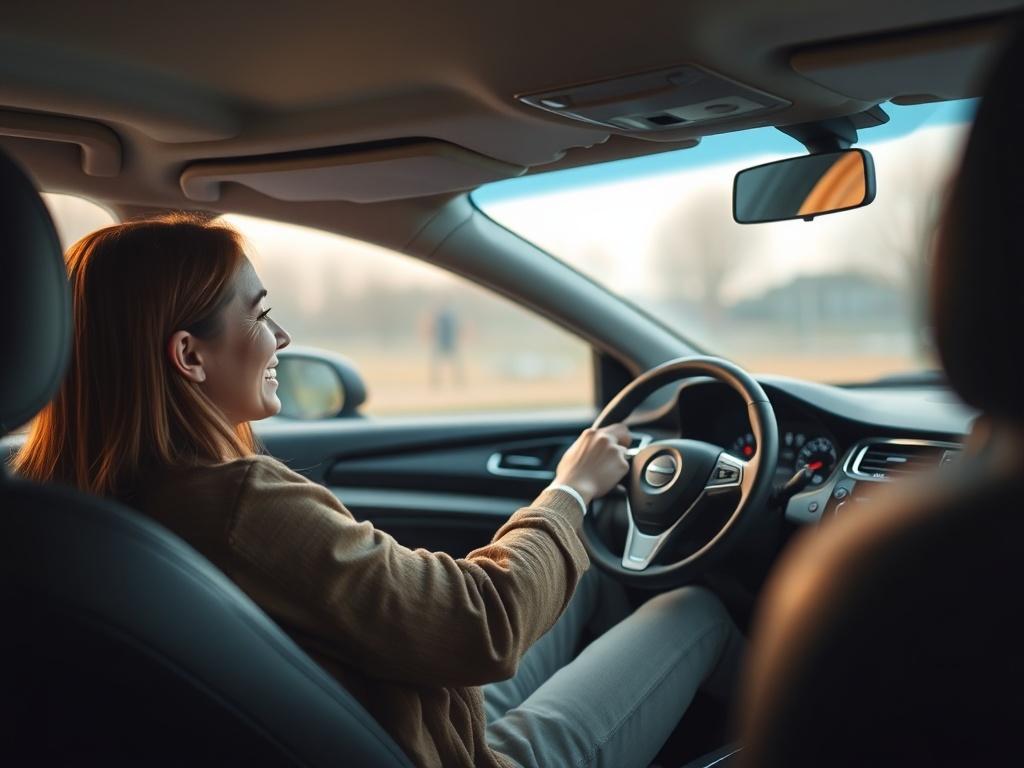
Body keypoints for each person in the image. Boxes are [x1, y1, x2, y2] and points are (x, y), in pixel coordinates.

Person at [13, 213, 742, 768]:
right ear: (189, 356)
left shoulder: (58, 511)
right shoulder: (235, 503)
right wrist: (573, 491)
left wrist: (567, 514)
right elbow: (477, 624)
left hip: (409, 715)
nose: (283, 337)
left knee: (587, 583)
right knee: (695, 609)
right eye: (261, 315)